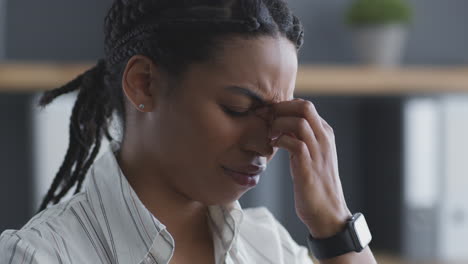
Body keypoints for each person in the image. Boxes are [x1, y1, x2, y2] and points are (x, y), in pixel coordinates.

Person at [0, 0, 377, 263]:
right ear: (144, 83)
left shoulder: (268, 245)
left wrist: (334, 225)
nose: (265, 144)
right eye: (238, 109)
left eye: (278, 116)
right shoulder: (41, 255)